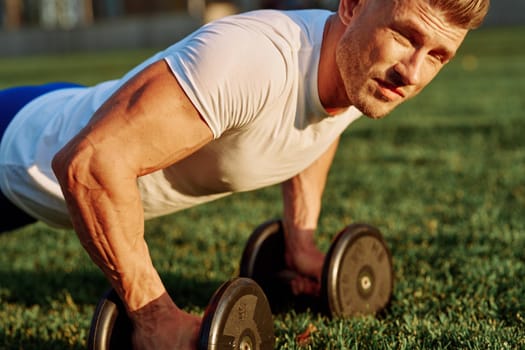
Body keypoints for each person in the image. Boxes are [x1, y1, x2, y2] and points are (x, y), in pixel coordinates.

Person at [0, 0, 489, 348]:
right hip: (17, 150)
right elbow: (87, 164)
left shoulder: (361, 69)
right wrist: (152, 317)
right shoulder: (252, 62)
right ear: (353, 5)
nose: (414, 72)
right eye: (405, 36)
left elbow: (322, 123)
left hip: (67, 107)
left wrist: (299, 242)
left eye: (439, 56)